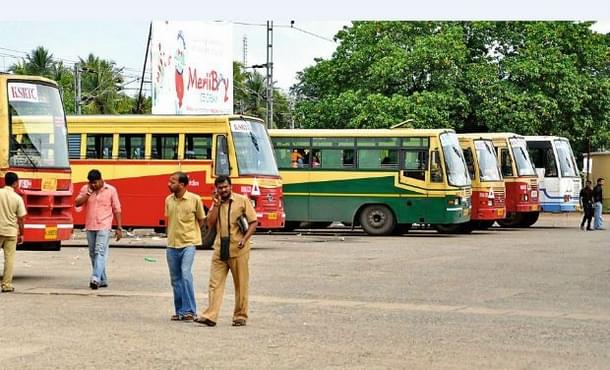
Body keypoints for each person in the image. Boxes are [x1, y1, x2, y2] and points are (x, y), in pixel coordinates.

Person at [195, 175, 257, 327]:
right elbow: (209, 223)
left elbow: (253, 222)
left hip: (238, 247)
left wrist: (245, 239)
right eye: (220, 188)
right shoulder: (217, 203)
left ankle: (240, 316)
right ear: (217, 189)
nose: (223, 190)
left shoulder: (242, 201)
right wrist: (215, 205)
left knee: (241, 284)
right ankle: (211, 315)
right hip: (220, 248)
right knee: (214, 283)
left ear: (231, 186)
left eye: (225, 187)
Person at [165, 172, 205, 321]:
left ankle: (190, 310)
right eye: (169, 181)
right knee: (175, 279)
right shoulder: (168, 200)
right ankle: (180, 311)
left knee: (185, 274)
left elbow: (201, 220)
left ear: (182, 185)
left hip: (188, 243)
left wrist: (192, 234)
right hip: (172, 245)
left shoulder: (195, 199)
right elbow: (169, 221)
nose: (169, 184)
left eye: (173, 182)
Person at [75, 169, 123, 290]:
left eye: (96, 182)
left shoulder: (111, 190)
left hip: (104, 225)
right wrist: (88, 193)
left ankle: (95, 278)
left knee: (100, 251)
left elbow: (117, 209)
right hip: (90, 225)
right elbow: (77, 203)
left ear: (101, 180)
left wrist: (119, 227)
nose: (94, 185)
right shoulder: (86, 189)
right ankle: (103, 279)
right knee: (92, 254)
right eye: (92, 183)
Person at [0, 172, 26, 293]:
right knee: (9, 259)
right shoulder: (17, 198)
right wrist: (22, 233)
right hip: (11, 232)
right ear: (15, 183)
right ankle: (6, 285)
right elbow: (21, 218)